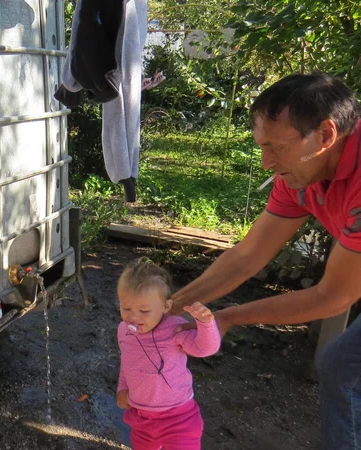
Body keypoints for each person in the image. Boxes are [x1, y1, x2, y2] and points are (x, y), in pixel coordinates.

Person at [171, 73, 361, 449]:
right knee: (342, 368)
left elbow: (332, 297)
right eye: (261, 147)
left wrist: (228, 317)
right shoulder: (302, 173)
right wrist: (172, 306)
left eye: (275, 148)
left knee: (341, 368)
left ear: (325, 136)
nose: (265, 163)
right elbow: (247, 255)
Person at [116, 258, 221, 450]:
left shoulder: (173, 328)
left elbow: (206, 349)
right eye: (126, 308)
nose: (133, 316)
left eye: (144, 310)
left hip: (179, 418)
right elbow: (127, 360)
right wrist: (122, 387)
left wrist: (206, 324)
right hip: (141, 418)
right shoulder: (124, 330)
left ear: (165, 307)